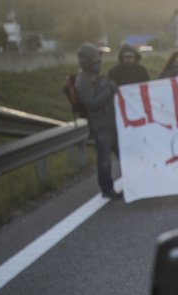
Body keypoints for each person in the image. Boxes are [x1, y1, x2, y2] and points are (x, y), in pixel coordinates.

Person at [75, 43, 121, 199]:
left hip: (112, 122)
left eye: (99, 57)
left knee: (124, 154)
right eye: (95, 58)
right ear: (86, 60)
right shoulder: (82, 80)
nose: (98, 61)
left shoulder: (97, 77)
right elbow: (92, 103)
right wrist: (109, 90)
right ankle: (107, 189)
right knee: (105, 160)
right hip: (101, 126)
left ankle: (133, 183)